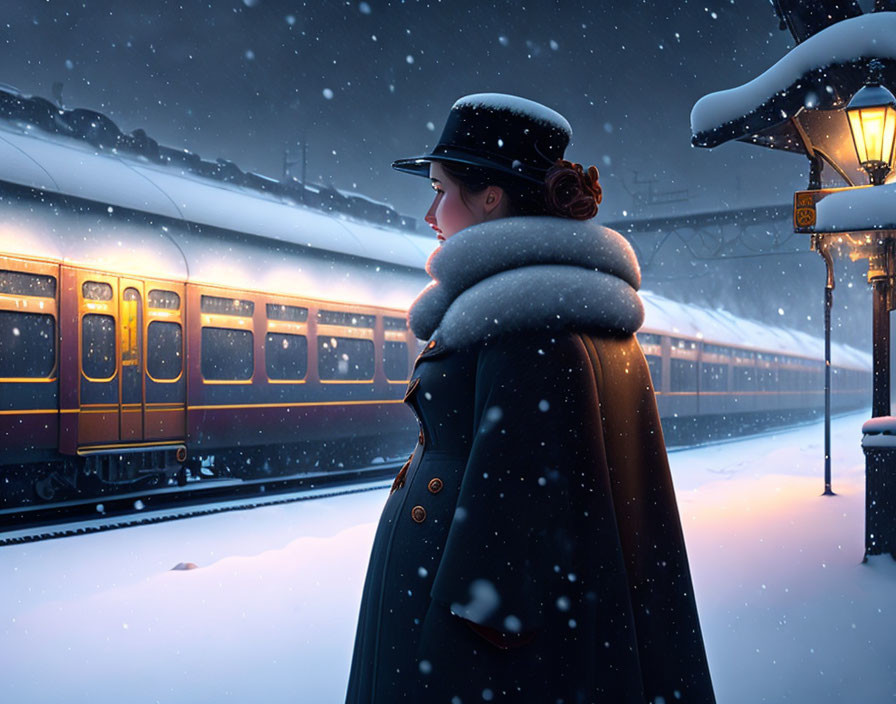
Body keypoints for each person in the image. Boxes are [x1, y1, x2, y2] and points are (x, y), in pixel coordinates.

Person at [345, 93, 716, 704]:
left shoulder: (521, 328)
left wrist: (461, 644)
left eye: (442, 189)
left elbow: (504, 547)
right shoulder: (579, 317)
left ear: (491, 196)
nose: (431, 213)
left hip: (465, 638)